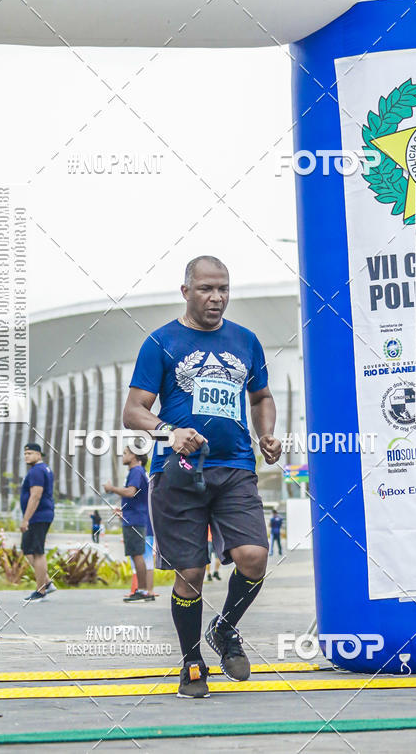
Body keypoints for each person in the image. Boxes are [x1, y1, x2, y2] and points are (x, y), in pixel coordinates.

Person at [123, 255, 282, 698]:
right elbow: (133, 411)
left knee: (253, 557)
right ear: (186, 291)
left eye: (224, 289)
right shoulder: (161, 342)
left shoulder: (246, 340)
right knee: (190, 573)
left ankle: (225, 628)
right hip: (179, 473)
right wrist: (170, 433)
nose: (217, 298)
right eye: (207, 289)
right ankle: (192, 660)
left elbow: (262, 396)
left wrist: (266, 433)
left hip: (235, 468)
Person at [104, 445, 154, 602]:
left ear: (134, 456)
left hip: (135, 520)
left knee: (136, 554)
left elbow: (131, 492)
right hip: (136, 517)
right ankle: (144, 590)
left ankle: (142, 590)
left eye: (125, 453)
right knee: (137, 554)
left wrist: (112, 488)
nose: (123, 456)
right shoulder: (139, 472)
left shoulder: (136, 471)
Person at [20, 442, 56, 602]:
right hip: (40, 515)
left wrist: (26, 519)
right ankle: (47, 582)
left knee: (37, 551)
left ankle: (41, 591)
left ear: (39, 455)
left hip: (38, 516)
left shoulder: (37, 471)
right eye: (25, 454)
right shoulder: (43, 469)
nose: (26, 456)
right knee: (27, 549)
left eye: (30, 453)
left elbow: (36, 495)